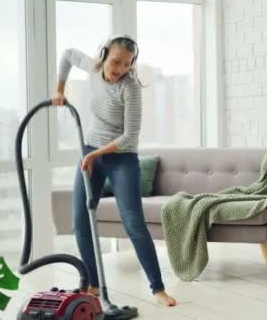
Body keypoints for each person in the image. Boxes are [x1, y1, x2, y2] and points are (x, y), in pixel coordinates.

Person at [52, 35, 176, 307]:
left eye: (126, 64)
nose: (119, 69)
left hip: (121, 157)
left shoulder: (129, 87)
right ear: (105, 55)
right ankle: (94, 285)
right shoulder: (94, 68)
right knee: (81, 222)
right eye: (116, 61)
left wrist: (96, 154)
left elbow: (131, 136)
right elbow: (68, 53)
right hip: (91, 152)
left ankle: (158, 288)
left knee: (134, 223)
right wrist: (60, 90)